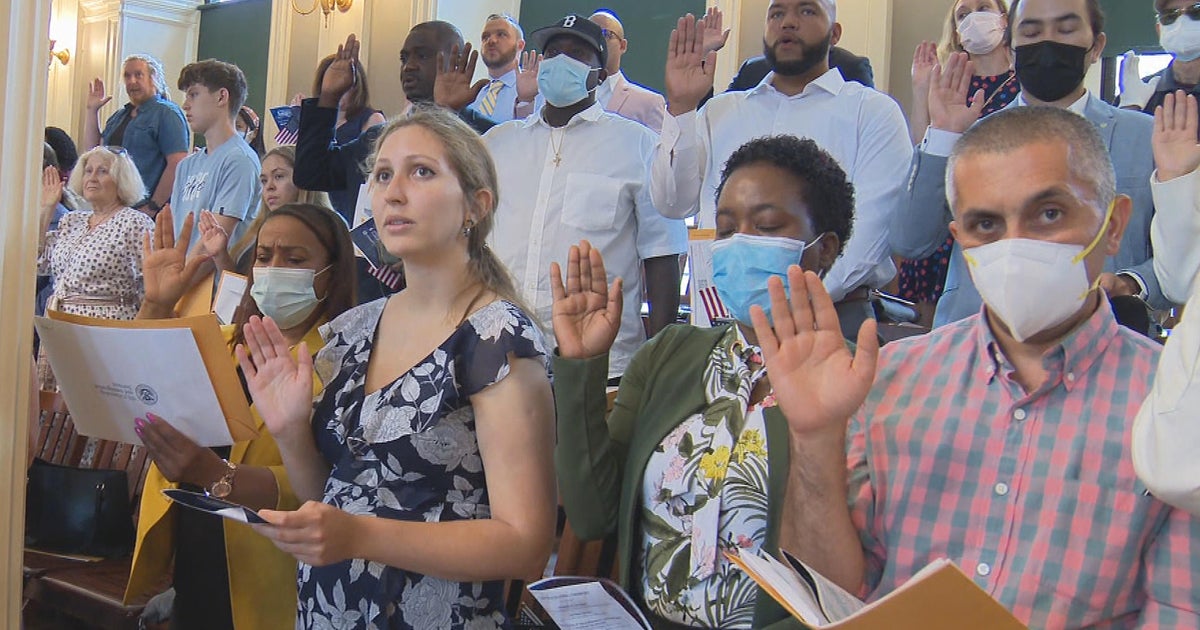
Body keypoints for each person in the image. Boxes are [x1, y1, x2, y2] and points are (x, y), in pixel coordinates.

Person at [776, 106, 1200, 627]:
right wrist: (814, 437)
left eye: (1048, 214)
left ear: (1112, 226)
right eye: (985, 224)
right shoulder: (890, 377)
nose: (1015, 245)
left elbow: (1177, 611)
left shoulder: (1174, 408)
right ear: (961, 237)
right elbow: (831, 594)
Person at [238, 108, 556, 628]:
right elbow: (333, 499)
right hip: (331, 611)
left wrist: (360, 535)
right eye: (383, 174)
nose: (393, 191)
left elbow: (524, 545)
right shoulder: (355, 330)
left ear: (476, 205)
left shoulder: (497, 339)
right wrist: (291, 432)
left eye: (422, 172)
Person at [554, 134, 854, 629]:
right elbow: (593, 517)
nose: (738, 243)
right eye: (727, 228)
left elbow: (836, 587)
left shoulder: (851, 385)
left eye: (766, 225)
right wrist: (582, 367)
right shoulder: (670, 354)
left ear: (822, 250)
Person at [125, 203, 356, 630]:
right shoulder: (224, 340)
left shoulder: (347, 365)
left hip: (270, 573)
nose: (273, 268)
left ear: (333, 272)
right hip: (194, 559)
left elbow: (327, 487)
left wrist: (214, 473)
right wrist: (156, 304)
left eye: (296, 259)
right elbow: (137, 388)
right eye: (264, 256)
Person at [892, 0, 1168, 328]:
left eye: (1065, 29)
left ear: (1097, 47)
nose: (1047, 43)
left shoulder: (1146, 136)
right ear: (1010, 49)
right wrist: (942, 137)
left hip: (1102, 339)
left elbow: (1181, 256)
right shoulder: (970, 135)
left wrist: (1132, 282)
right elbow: (911, 241)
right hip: (976, 337)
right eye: (1032, 31)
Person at [652, 1, 912, 340]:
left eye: (806, 11)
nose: (787, 22)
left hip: (828, 320)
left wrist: (774, 312)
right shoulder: (720, 112)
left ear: (834, 33)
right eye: (777, 14)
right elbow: (673, 203)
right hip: (722, 323)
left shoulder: (871, 112)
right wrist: (683, 108)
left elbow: (864, 241)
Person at [483, 14, 687, 380]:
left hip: (602, 363)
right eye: (553, 53)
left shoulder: (637, 144)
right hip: (503, 357)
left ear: (599, 72)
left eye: (577, 54)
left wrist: (660, 358)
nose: (562, 61)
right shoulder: (500, 143)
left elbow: (662, 255)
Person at [295, 26, 499, 220]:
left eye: (422, 55)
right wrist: (330, 97)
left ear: (456, 61)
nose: (409, 66)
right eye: (404, 58)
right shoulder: (379, 138)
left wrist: (444, 114)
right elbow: (312, 174)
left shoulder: (487, 136)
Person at [897, 0, 1017, 319]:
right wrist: (921, 90)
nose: (974, 17)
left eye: (983, 7)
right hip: (945, 209)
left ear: (1003, 19)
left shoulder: (1025, 83)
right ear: (957, 31)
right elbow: (924, 147)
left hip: (1000, 211)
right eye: (963, 14)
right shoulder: (949, 82)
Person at [37, 146, 155, 388]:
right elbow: (38, 262)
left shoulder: (136, 223)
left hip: (107, 333)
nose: (92, 177)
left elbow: (149, 286)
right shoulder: (73, 220)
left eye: (102, 171)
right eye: (88, 170)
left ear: (121, 179)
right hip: (61, 328)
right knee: (56, 416)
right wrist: (47, 208)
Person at [170, 59, 262, 252]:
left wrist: (177, 281)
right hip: (182, 275)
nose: (185, 105)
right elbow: (175, 234)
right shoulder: (186, 165)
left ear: (221, 97)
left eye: (193, 95)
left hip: (214, 280)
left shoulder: (239, 160)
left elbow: (216, 241)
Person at [198, 145, 332, 275]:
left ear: (303, 178)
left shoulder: (326, 228)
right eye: (264, 181)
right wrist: (220, 254)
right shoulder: (257, 230)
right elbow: (241, 286)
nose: (269, 187)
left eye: (279, 176)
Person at [83, 54, 189, 217]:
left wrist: (153, 206)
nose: (132, 81)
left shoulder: (166, 113)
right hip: (113, 209)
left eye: (138, 75)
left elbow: (177, 162)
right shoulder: (119, 116)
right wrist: (92, 111)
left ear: (153, 78)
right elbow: (93, 152)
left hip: (146, 211)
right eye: (127, 76)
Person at [1117, 1, 1200, 118]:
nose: (1182, 22)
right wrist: (1130, 109)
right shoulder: (1140, 93)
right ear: (1159, 30)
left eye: (1197, 11)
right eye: (1170, 16)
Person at [468, 14, 525, 124]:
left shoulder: (534, 94)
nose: (491, 40)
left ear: (520, 45)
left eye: (501, 34)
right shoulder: (473, 96)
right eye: (485, 37)